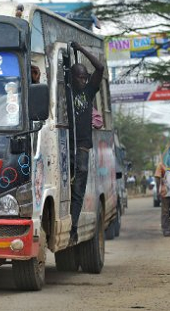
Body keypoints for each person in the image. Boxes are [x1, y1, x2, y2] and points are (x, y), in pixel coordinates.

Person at [67, 42, 104, 245]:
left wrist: (81, 50)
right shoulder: (66, 93)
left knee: (78, 191)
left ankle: (73, 229)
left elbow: (100, 68)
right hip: (65, 148)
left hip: (81, 148)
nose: (82, 80)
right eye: (79, 77)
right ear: (71, 78)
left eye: (84, 77)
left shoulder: (88, 92)